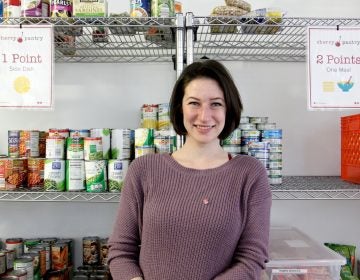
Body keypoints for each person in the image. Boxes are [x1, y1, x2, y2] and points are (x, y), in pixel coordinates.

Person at [107, 59, 272, 280]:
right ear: (179, 108)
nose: (204, 116)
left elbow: (252, 258)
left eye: (216, 104)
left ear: (229, 109)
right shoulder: (144, 170)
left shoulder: (250, 173)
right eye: (194, 103)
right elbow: (120, 251)